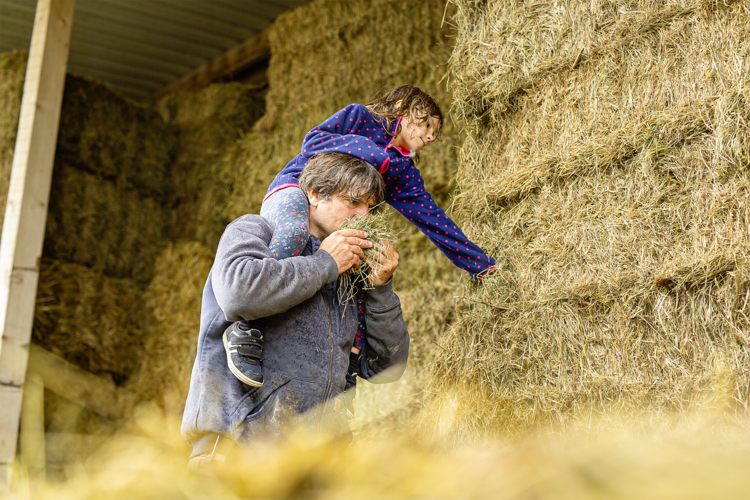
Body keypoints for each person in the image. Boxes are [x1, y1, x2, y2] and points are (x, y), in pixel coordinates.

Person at [225, 86, 495, 411]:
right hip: (297, 188)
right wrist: (375, 155)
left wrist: (481, 266)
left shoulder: (402, 170)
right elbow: (313, 142)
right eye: (428, 125)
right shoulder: (360, 118)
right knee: (294, 234)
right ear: (404, 110)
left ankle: (349, 368)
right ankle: (246, 328)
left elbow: (433, 219)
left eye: (436, 133)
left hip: (337, 219)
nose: (432, 136)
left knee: (360, 276)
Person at [182, 153, 409, 467]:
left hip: (315, 467)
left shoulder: (350, 273)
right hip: (237, 451)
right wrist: (323, 264)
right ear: (314, 194)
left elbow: (388, 367)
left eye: (369, 207)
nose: (363, 216)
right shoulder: (255, 231)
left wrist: (380, 287)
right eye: (353, 202)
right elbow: (239, 295)